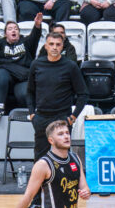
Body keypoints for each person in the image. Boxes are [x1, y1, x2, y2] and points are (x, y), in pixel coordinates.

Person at [28, 31, 88, 162]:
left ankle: (64, 182)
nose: (54, 47)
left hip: (62, 117)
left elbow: (83, 94)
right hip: (41, 117)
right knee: (40, 157)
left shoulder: (70, 66)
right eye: (51, 44)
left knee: (63, 154)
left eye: (58, 44)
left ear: (62, 47)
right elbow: (30, 92)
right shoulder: (36, 65)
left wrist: (73, 117)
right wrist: (32, 114)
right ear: (46, 46)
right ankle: (42, 182)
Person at [0, 14, 44, 117]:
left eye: (16, 29)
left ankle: (27, 116)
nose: (13, 31)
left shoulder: (26, 43)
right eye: (10, 29)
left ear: (19, 33)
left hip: (22, 78)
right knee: (0, 73)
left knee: (23, 94)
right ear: (5, 33)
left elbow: (35, 36)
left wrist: (37, 25)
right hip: (6, 78)